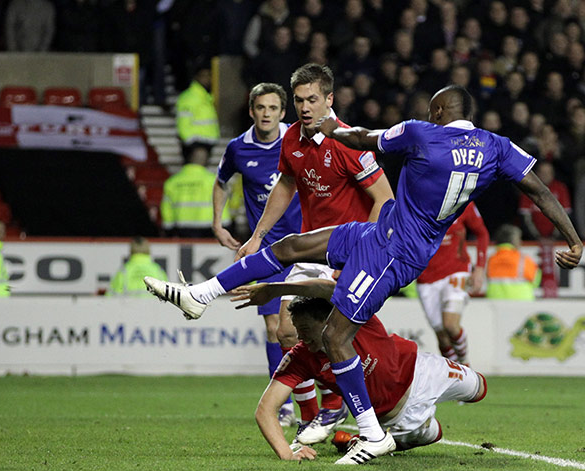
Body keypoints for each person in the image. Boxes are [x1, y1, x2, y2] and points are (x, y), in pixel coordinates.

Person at [144, 85, 582, 464]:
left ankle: (372, 433)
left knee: (336, 337)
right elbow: (539, 189)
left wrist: (332, 128)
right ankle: (199, 296)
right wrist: (574, 239)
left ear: (438, 113)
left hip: (395, 250)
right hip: (383, 232)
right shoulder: (497, 147)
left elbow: (365, 139)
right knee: (290, 246)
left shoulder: (420, 133)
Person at [234, 64, 394, 443]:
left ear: (329, 100)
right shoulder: (291, 138)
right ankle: (315, 413)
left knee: (343, 337)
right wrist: (258, 235)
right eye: (300, 100)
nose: (305, 107)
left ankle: (345, 399)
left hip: (352, 252)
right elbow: (286, 185)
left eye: (313, 100)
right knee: (288, 329)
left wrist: (362, 255)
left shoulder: (348, 140)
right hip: (311, 247)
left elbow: (384, 198)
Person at [240, 287, 486, 461]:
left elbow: (331, 288)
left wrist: (278, 288)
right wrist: (287, 454)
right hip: (396, 417)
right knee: (434, 433)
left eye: (305, 329)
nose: (300, 337)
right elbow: (265, 409)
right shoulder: (301, 357)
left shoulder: (353, 319)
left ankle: (354, 440)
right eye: (297, 331)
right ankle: (359, 439)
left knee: (479, 389)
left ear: (326, 321)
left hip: (424, 372)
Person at [212, 82, 302, 427]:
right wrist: (218, 224)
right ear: (252, 111)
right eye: (260, 108)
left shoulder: (296, 140)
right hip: (267, 251)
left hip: (307, 244)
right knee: (274, 326)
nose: (266, 114)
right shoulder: (238, 148)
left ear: (282, 113)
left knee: (311, 327)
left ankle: (328, 399)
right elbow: (221, 182)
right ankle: (284, 403)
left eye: (273, 108)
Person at [416, 201, 489, 365]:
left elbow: (481, 233)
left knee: (450, 324)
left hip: (457, 270)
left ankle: (465, 364)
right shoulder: (417, 202)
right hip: (426, 278)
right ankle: (457, 375)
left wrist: (479, 268)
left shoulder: (463, 201)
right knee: (442, 336)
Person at [161, 144, 229, 238]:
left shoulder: (172, 182)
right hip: (208, 230)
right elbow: (222, 206)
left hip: (181, 229)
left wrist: (168, 229)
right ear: (206, 160)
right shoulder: (214, 181)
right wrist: (225, 226)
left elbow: (167, 209)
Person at [175, 60, 219, 160]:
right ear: (196, 77)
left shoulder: (207, 96)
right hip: (195, 143)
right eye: (204, 75)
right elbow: (183, 122)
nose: (207, 79)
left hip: (207, 142)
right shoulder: (189, 97)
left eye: (209, 75)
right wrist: (189, 142)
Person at [519, 160, 572, 240]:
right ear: (537, 173)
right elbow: (525, 218)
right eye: (542, 172)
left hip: (557, 240)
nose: (545, 175)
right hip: (533, 240)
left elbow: (566, 215)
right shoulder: (528, 188)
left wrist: (554, 237)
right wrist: (537, 237)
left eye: (548, 173)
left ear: (553, 174)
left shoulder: (561, 188)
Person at [485, 224, 540, 300]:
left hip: (495, 303)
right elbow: (535, 281)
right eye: (519, 239)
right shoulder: (524, 260)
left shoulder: (490, 260)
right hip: (521, 303)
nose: (521, 242)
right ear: (514, 241)